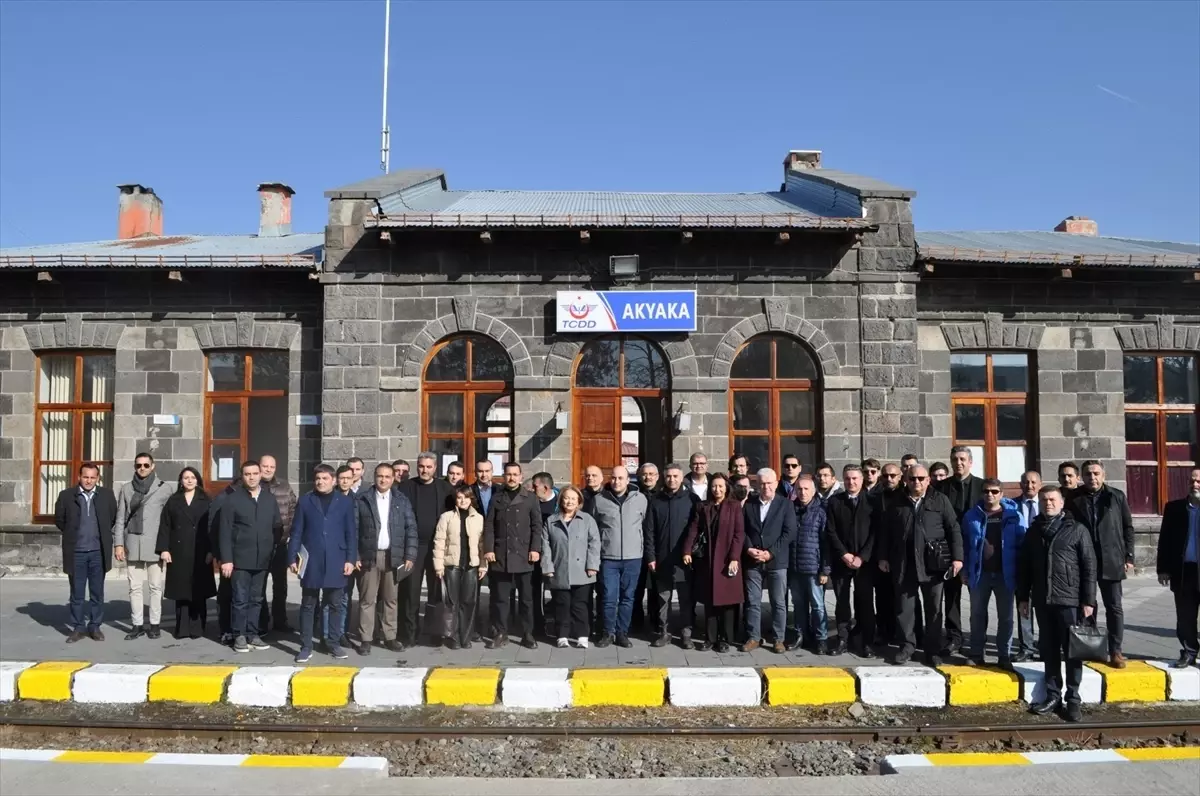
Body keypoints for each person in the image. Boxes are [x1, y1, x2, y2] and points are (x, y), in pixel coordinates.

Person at [1017, 485, 1096, 723]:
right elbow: (1025, 568)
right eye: (1043, 500)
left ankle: (1073, 698)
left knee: (1073, 651)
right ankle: (1053, 695)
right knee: (1049, 649)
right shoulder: (1033, 532)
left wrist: (1088, 600)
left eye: (1052, 499)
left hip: (1070, 600)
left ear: (1062, 503)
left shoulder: (1077, 530)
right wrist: (1023, 597)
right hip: (1043, 600)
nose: (1047, 503)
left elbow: (1089, 567)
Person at [882, 465, 962, 666]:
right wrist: (882, 556)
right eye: (912, 478)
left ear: (928, 480)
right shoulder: (896, 502)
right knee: (904, 608)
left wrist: (957, 558)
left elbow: (953, 529)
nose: (916, 482)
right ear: (906, 480)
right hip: (904, 563)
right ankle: (907, 647)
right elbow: (885, 532)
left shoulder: (940, 500)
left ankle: (932, 650)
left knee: (934, 609)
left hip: (933, 565)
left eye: (920, 478)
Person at [1068, 460, 1135, 668]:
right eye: (1088, 474)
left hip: (1111, 559)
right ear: (1082, 477)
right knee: (1087, 605)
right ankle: (1089, 647)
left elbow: (1128, 527)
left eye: (1096, 473)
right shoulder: (1073, 498)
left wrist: (1129, 556)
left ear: (1103, 475)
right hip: (1083, 559)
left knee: (1114, 607)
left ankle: (1116, 650)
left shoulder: (1116, 496)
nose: (1092, 478)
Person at [289, 464, 358, 662]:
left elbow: (350, 533)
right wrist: (292, 557)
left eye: (325, 478)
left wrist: (350, 559)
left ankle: (333, 643)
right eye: (318, 478)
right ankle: (306, 645)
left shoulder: (344, 503)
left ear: (334, 480)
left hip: (337, 559)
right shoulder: (306, 501)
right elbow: (297, 532)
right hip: (311, 561)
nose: (321, 482)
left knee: (335, 604)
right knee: (309, 604)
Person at [218, 460, 282, 653]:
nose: (252, 477)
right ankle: (239, 635)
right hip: (239, 559)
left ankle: (253, 634)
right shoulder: (232, 499)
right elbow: (225, 531)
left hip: (262, 559)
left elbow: (277, 526)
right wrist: (227, 559)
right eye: (247, 474)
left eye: (255, 473)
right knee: (240, 599)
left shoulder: (269, 499)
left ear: (260, 475)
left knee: (257, 599)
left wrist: (270, 548)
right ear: (242, 476)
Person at [962, 478, 1027, 668]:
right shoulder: (971, 516)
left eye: (994, 491)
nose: (990, 495)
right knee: (977, 615)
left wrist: (1022, 575)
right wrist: (965, 570)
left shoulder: (1014, 515)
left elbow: (1023, 545)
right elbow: (965, 546)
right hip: (980, 573)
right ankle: (976, 653)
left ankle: (1003, 655)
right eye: (986, 491)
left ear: (1001, 493)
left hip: (1005, 575)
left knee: (1006, 617)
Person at [354, 463, 417, 655]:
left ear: (392, 479)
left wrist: (410, 554)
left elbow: (410, 528)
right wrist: (355, 555)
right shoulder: (362, 499)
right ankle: (366, 638)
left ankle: (390, 636)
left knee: (391, 599)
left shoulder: (401, 500)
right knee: (367, 599)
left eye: (387, 476)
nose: (383, 480)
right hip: (369, 555)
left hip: (393, 555)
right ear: (374, 477)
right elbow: (354, 529)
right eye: (380, 476)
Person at [113, 452, 174, 640]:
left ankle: (155, 624)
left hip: (155, 544)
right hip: (132, 542)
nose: (142, 468)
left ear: (153, 466)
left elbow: (169, 520)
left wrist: (167, 547)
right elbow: (121, 518)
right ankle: (137, 624)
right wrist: (119, 544)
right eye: (138, 465)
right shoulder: (126, 489)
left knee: (156, 587)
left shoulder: (164, 488)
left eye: (146, 465)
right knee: (135, 587)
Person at [483, 462, 543, 649]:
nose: (511, 478)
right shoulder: (497, 497)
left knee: (526, 599)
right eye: (508, 474)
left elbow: (537, 526)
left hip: (524, 555)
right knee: (501, 599)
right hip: (501, 555)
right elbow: (489, 525)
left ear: (521, 476)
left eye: (515, 474)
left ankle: (527, 634)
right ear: (503, 476)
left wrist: (535, 549)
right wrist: (489, 549)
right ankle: (501, 633)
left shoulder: (530, 498)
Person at [56, 463, 117, 643]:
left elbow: (112, 518)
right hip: (77, 552)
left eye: (92, 477)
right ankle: (78, 627)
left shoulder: (106, 495)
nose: (89, 480)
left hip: (98, 552)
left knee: (97, 592)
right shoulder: (66, 496)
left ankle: (95, 626)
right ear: (79, 477)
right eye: (85, 477)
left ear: (97, 478)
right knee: (77, 593)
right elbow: (60, 520)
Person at [684, 472, 744, 652]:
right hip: (708, 560)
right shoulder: (703, 507)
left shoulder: (734, 506)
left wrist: (734, 557)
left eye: (720, 486)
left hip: (727, 559)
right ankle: (710, 639)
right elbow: (693, 529)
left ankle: (725, 639)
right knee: (710, 601)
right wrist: (687, 550)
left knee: (727, 602)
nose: (717, 490)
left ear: (726, 488)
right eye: (714, 486)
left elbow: (739, 534)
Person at [933, 446, 983, 657]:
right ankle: (954, 637)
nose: (958, 463)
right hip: (949, 550)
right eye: (955, 459)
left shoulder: (982, 486)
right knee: (951, 596)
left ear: (970, 462)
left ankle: (978, 637)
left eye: (963, 459)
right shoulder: (941, 487)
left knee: (978, 597)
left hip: (976, 549)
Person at [644, 463, 700, 648]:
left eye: (675, 476)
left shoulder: (692, 499)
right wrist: (651, 556)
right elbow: (649, 531)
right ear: (663, 477)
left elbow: (698, 530)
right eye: (668, 476)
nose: (672, 480)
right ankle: (664, 632)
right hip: (662, 559)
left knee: (686, 599)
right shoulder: (656, 500)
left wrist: (691, 552)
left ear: (682, 477)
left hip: (685, 559)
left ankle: (686, 633)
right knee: (663, 598)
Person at [592, 465, 649, 648]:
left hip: (633, 557)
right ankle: (607, 633)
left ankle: (622, 633)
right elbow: (593, 529)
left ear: (628, 479)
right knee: (609, 597)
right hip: (608, 558)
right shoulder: (599, 500)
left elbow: (645, 526)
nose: (617, 482)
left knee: (628, 597)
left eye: (621, 478)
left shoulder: (640, 499)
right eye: (614, 478)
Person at [156, 467, 216, 640]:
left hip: (201, 550)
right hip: (179, 551)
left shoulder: (206, 500)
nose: (189, 480)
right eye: (185, 478)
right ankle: (182, 628)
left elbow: (213, 527)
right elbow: (165, 525)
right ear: (180, 481)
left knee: (199, 590)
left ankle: (197, 628)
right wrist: (164, 549)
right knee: (181, 591)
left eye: (192, 477)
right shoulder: (173, 501)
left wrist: (212, 550)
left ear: (198, 480)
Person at [742, 467, 796, 652]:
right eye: (762, 483)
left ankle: (778, 639)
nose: (766, 487)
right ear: (757, 484)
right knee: (752, 600)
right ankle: (753, 637)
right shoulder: (749, 505)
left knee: (778, 602)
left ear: (776, 483)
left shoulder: (785, 505)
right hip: (753, 560)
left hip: (777, 561)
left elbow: (789, 533)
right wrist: (749, 548)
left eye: (769, 483)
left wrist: (770, 553)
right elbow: (742, 530)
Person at [826, 464, 876, 658]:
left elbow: (875, 533)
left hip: (865, 563)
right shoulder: (835, 501)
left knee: (864, 602)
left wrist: (862, 557)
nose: (851, 482)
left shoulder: (872, 501)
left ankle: (866, 641)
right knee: (842, 602)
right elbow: (830, 531)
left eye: (855, 478)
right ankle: (843, 639)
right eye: (847, 479)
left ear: (862, 480)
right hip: (842, 561)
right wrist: (844, 554)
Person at [541, 485, 601, 649]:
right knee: (562, 604)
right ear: (561, 500)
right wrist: (547, 566)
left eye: (573, 498)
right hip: (559, 569)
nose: (569, 501)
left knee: (580, 605)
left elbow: (594, 544)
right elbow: (545, 545)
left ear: (579, 501)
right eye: (566, 498)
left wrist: (592, 565)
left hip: (582, 571)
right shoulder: (551, 521)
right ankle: (562, 635)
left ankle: (582, 635)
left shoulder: (587, 519)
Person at [433, 484, 487, 649]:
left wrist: (483, 565)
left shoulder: (478, 518)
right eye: (459, 497)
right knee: (452, 603)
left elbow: (482, 544)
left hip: (471, 565)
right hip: (452, 565)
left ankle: (466, 636)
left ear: (471, 499)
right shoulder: (446, 517)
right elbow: (439, 541)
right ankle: (453, 636)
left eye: (466, 497)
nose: (463, 500)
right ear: (455, 499)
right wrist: (438, 566)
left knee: (469, 602)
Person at [1157, 468, 1200, 668]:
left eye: (1199, 481)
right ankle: (1189, 652)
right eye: (1192, 481)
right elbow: (1164, 540)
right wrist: (1162, 568)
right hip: (1184, 572)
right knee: (1185, 617)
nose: (1195, 485)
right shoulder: (1174, 508)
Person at [788, 474, 830, 655]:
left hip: (814, 568)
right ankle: (801, 635)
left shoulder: (821, 512)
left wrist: (825, 570)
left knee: (818, 605)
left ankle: (821, 638)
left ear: (813, 491)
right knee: (798, 604)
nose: (803, 492)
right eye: (799, 489)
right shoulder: (790, 510)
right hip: (794, 567)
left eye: (806, 489)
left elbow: (826, 543)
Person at [257, 454, 297, 635]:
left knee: (280, 586)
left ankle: (280, 620)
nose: (268, 469)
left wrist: (288, 534)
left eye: (271, 467)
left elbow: (293, 511)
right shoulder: (253, 485)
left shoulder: (284, 486)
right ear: (259, 466)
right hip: (259, 546)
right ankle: (261, 622)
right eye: (265, 466)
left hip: (280, 544)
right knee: (259, 585)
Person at [871, 462, 905, 647]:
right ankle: (884, 632)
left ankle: (905, 634)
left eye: (893, 475)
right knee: (882, 596)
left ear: (900, 476)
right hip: (880, 554)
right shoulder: (874, 497)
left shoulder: (906, 496)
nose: (889, 479)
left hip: (902, 555)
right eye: (885, 476)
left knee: (903, 598)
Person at [1012, 470, 1044, 661]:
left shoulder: (1047, 503)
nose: (1029, 485)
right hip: (1021, 564)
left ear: (1040, 484)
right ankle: (1027, 647)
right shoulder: (1011, 506)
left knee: (1043, 608)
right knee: (1023, 607)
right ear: (1020, 484)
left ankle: (1046, 645)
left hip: (1042, 565)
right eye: (1026, 482)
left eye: (1033, 482)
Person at [532, 471, 558, 634]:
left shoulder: (561, 501)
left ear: (546, 487)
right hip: (536, 552)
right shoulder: (531, 502)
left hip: (557, 553)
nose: (532, 489)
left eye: (535, 486)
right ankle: (538, 625)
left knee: (558, 590)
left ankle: (559, 624)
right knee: (536, 590)